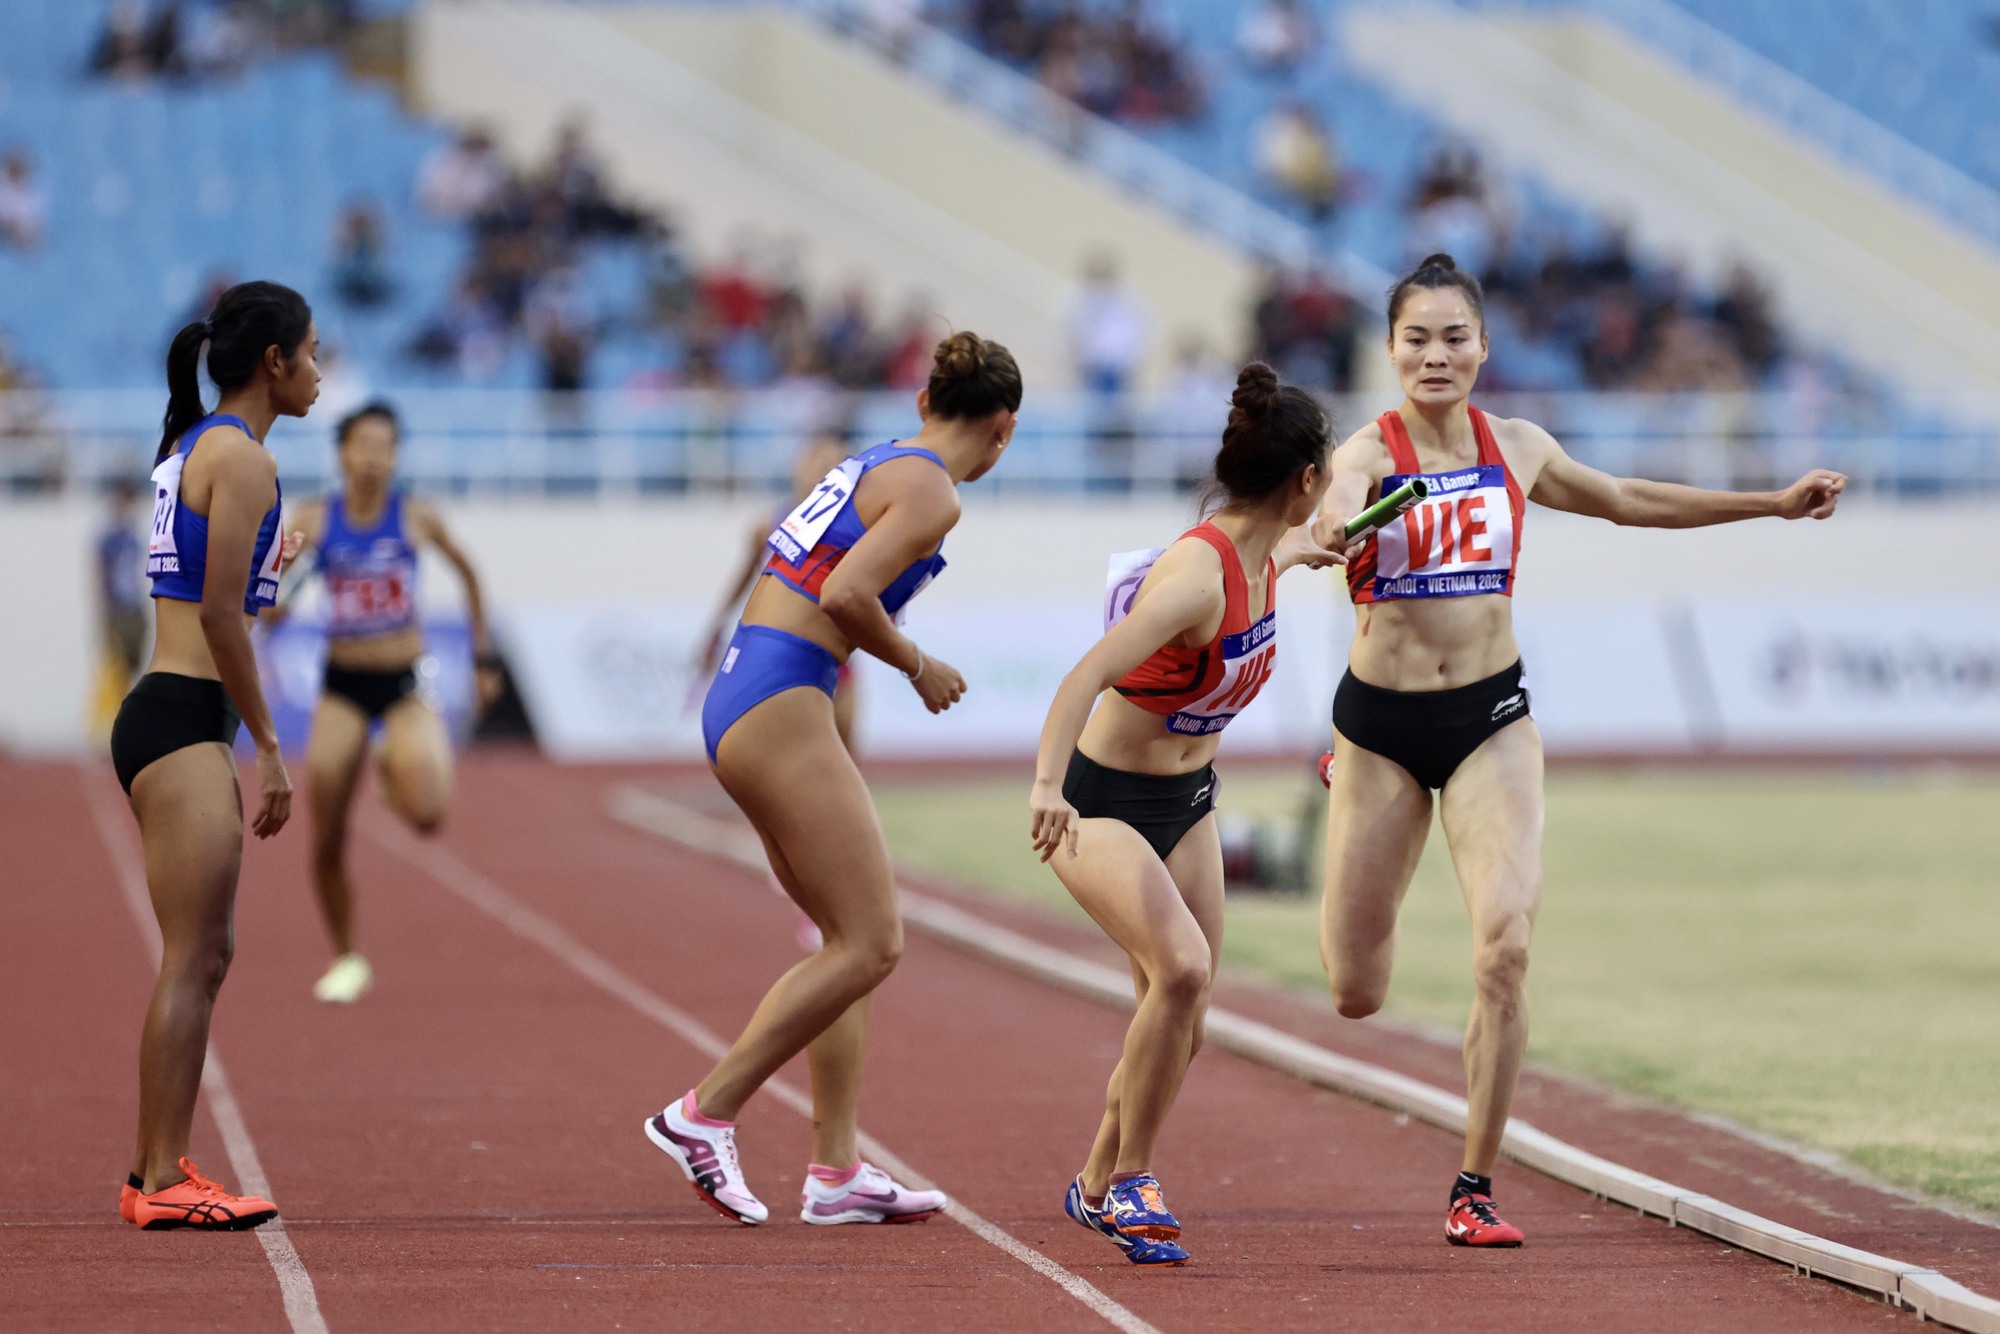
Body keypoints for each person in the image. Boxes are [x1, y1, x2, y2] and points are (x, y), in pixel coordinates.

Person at [1310, 254, 1846, 1248]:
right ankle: (1342, 777)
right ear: (1389, 349)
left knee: (1504, 945)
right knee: (1353, 989)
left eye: (1453, 336)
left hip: (1490, 720)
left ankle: (1473, 1182)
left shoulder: (1513, 446)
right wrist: (1334, 524)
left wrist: (1766, 503)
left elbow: (1625, 496)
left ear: (1482, 345)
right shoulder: (1367, 454)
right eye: (1416, 337)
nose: (1436, 354)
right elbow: (1332, 505)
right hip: (1378, 731)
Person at [645, 332, 1021, 1227]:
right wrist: (917, 663)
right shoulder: (933, 491)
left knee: (839, 941)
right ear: (1000, 431)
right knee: (876, 942)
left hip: (752, 685)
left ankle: (836, 1170)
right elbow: (850, 596)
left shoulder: (882, 459)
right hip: (783, 694)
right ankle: (703, 1114)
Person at [1029, 363, 1337, 1267]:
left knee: (1185, 1014)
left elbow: (1271, 554)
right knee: (1186, 971)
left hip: (1187, 799)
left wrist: (1305, 548)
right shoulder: (1197, 579)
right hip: (1103, 802)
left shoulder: (1260, 551)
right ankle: (1133, 1180)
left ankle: (1091, 1186)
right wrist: (1047, 786)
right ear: (1304, 480)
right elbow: (1083, 675)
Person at [108, 280, 320, 1230]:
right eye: (311, 353)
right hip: (187, 716)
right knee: (194, 955)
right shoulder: (242, 460)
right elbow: (224, 621)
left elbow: (216, 594)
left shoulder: (199, 446)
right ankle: (158, 1182)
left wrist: (285, 561)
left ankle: (157, 1168)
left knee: (204, 952)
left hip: (170, 710)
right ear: (272, 363)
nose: (320, 371)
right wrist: (271, 746)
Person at [276, 402, 500, 1004]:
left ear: (396, 456)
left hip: (404, 681)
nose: (374, 458)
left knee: (429, 816)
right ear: (342, 455)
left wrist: (481, 659)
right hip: (343, 685)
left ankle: (390, 770)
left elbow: (472, 576)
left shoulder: (418, 517)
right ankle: (347, 954)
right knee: (326, 833)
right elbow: (271, 605)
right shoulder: (315, 520)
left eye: (385, 446)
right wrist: (280, 589)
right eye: (363, 445)